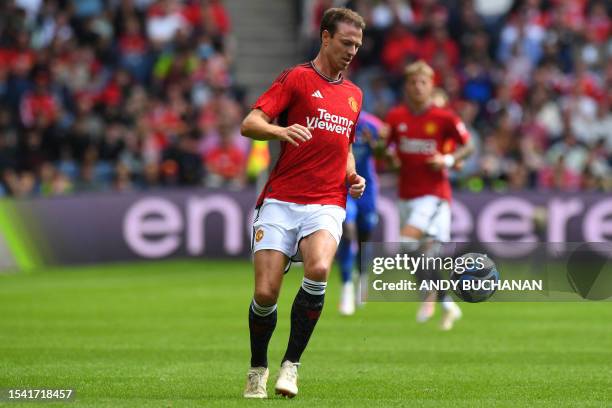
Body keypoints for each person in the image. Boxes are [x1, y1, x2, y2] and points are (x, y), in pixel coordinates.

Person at [240, 8, 366, 399]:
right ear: (326, 38)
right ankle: (257, 368)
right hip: (280, 199)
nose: (351, 51)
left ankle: (291, 366)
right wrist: (280, 129)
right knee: (265, 294)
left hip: (327, 201)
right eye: (346, 43)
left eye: (357, 46)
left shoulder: (353, 95)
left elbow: (345, 145)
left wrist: (352, 175)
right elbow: (250, 123)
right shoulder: (296, 78)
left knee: (320, 267)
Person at [384, 60, 473, 330]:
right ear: (406, 87)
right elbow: (387, 152)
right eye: (412, 82)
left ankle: (431, 298)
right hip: (405, 195)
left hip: (434, 195)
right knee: (417, 255)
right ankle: (446, 303)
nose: (418, 87)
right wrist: (386, 156)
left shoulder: (444, 118)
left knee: (409, 245)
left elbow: (467, 148)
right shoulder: (396, 117)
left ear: (430, 85)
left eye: (423, 82)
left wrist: (447, 160)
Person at [336, 111, 387, 315]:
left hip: (367, 187)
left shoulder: (373, 124)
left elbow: (386, 156)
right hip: (342, 185)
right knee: (347, 232)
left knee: (365, 236)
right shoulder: (335, 119)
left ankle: (362, 278)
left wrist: (375, 145)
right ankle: (346, 287)